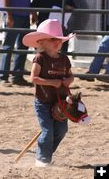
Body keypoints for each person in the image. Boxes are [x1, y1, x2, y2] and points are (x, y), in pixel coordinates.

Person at [22, 19, 75, 167]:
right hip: (43, 102)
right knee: (47, 131)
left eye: (59, 40)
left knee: (62, 130)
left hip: (60, 102)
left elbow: (71, 76)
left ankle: (46, 153)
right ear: (42, 42)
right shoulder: (40, 58)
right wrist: (52, 82)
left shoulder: (64, 60)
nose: (57, 42)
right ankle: (43, 159)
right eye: (53, 39)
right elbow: (33, 78)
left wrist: (68, 81)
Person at [0, 0, 37, 86]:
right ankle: (3, 77)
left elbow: (28, 0)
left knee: (23, 46)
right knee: (8, 46)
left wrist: (33, 12)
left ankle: (17, 76)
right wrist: (8, 15)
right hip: (13, 14)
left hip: (24, 15)